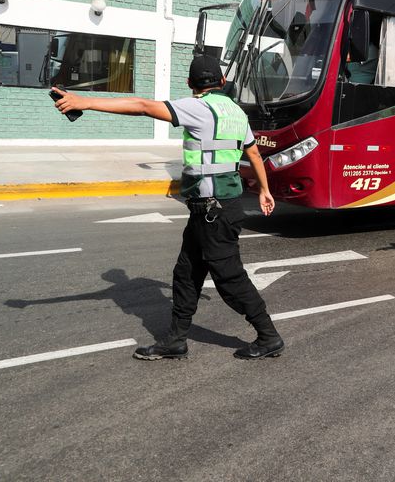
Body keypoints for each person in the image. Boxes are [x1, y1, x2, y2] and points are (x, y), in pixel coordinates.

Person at [52, 55, 285, 361]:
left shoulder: (197, 107)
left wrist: (86, 102)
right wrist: (265, 190)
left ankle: (268, 336)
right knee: (186, 274)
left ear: (190, 84)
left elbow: (143, 106)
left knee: (230, 280)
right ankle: (176, 339)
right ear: (222, 82)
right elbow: (253, 154)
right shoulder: (236, 112)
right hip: (212, 209)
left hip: (214, 212)